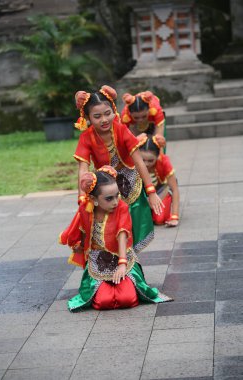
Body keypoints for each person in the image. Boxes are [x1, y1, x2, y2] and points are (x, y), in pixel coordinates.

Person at [59, 166, 172, 311]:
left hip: (123, 258)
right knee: (103, 302)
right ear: (93, 199)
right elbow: (79, 232)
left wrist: (122, 263)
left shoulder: (122, 207)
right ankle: (107, 289)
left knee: (127, 299)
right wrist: (78, 245)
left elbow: (122, 234)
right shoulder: (85, 210)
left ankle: (122, 286)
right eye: (109, 198)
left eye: (117, 195)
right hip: (97, 261)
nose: (115, 202)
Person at [73, 85, 164, 254]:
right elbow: (83, 169)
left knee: (133, 225)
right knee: (109, 228)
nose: (104, 119)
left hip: (131, 183)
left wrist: (151, 191)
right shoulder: (86, 137)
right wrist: (82, 198)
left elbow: (139, 162)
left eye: (108, 113)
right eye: (97, 116)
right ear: (88, 118)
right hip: (106, 186)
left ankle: (130, 263)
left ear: (114, 110)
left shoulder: (121, 129)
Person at [139, 136, 180, 227]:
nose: (146, 164)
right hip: (142, 194)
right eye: (143, 160)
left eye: (150, 160)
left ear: (158, 156)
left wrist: (174, 217)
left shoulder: (164, 161)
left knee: (159, 220)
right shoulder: (134, 162)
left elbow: (175, 189)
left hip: (161, 192)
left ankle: (166, 205)